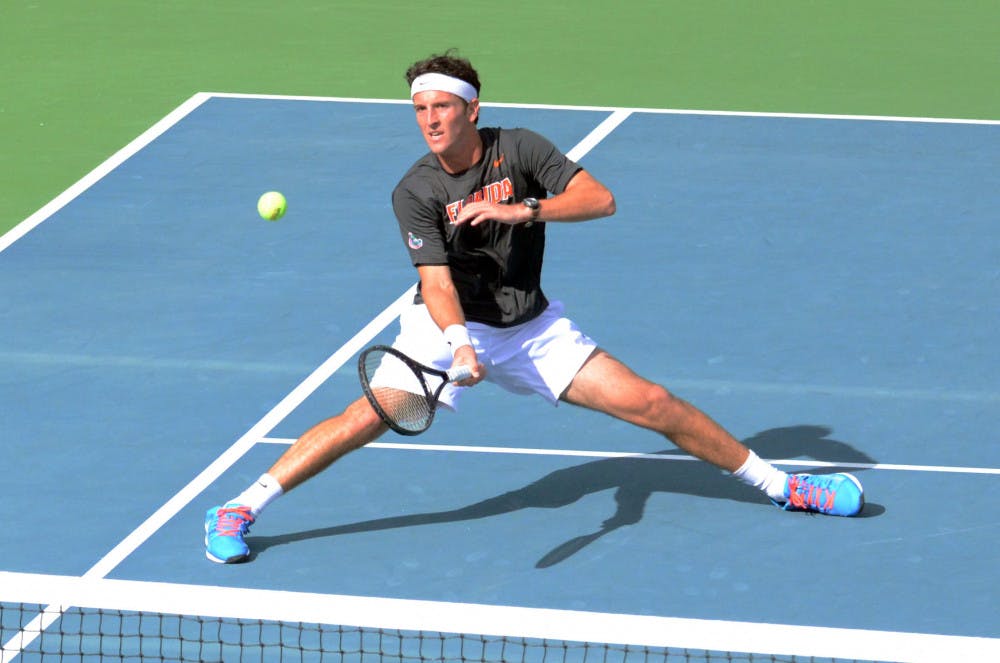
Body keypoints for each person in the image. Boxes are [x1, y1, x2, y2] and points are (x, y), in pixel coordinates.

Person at [204, 51, 864, 564]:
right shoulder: (415, 190)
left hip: (530, 330)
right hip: (443, 330)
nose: (430, 120)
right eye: (419, 109)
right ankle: (238, 508)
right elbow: (436, 283)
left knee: (653, 402)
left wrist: (522, 210)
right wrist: (461, 344)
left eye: (441, 107)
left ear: (472, 108)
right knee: (367, 417)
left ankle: (786, 487)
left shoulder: (519, 149)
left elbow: (601, 199)